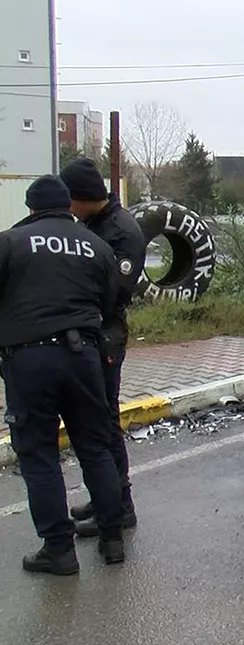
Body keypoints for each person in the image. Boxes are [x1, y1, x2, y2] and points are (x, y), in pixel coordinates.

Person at [1, 176, 127, 574]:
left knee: (39, 453)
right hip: (85, 356)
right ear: (69, 205)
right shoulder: (97, 245)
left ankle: (59, 548)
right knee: (95, 447)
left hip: (29, 358)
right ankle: (112, 539)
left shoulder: (10, 242)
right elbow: (111, 301)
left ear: (31, 207)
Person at [58, 158, 146, 538]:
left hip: (105, 334)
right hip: (91, 331)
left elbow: (115, 291)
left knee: (105, 422)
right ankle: (103, 495)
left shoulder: (121, 232)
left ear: (81, 198)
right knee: (93, 421)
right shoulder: (94, 224)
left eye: (69, 202)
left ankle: (121, 506)